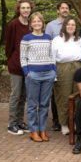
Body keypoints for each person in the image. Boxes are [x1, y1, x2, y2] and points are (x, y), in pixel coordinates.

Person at [20, 12, 57, 142]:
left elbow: (51, 55)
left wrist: (54, 70)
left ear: (43, 23)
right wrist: (27, 72)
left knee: (44, 104)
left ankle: (42, 130)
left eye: (39, 21)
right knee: (31, 104)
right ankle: (33, 131)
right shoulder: (26, 38)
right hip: (33, 74)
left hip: (48, 74)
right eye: (34, 21)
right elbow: (23, 57)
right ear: (31, 24)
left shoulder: (48, 37)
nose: (37, 23)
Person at [52, 17, 81, 135]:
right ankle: (64, 124)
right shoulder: (57, 40)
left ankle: (76, 122)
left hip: (79, 68)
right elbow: (52, 57)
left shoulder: (80, 40)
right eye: (68, 24)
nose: (71, 26)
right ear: (64, 26)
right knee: (63, 96)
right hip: (63, 69)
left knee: (78, 96)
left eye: (73, 24)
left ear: (76, 27)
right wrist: (54, 75)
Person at [5, 0, 34, 135]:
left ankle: (19, 122)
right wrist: (12, 60)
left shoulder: (31, 25)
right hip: (16, 66)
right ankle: (11, 124)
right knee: (16, 94)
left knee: (23, 95)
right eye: (23, 8)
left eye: (28, 8)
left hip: (28, 67)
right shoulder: (13, 25)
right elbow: (9, 46)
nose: (26, 10)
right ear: (18, 9)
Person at [45, 1, 71, 131]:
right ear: (58, 10)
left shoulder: (72, 24)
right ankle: (56, 119)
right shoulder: (51, 26)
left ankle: (70, 119)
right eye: (62, 8)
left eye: (67, 8)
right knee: (56, 93)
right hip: (57, 63)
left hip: (70, 65)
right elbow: (47, 45)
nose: (65, 10)